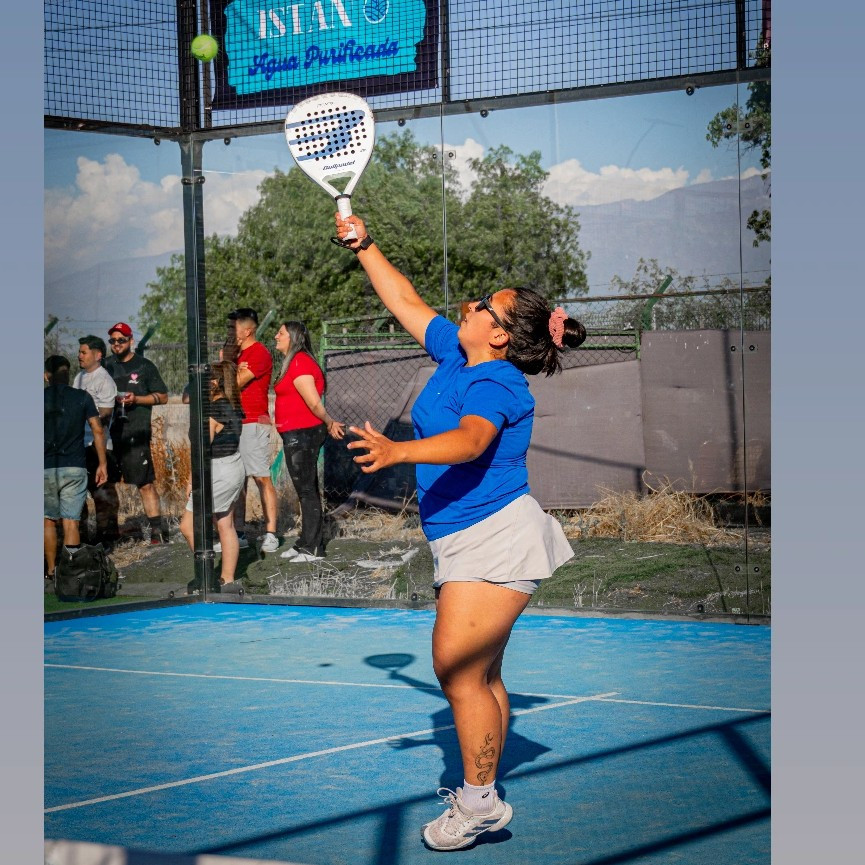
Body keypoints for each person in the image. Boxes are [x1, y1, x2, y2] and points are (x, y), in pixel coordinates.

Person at [335, 211, 587, 851]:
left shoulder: (496, 380)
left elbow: (473, 441)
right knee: (481, 676)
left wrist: (398, 452)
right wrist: (365, 244)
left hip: (494, 537)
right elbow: (405, 301)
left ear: (498, 334)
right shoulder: (456, 351)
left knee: (455, 670)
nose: (470, 305)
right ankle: (484, 790)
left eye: (483, 305)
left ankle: (478, 804)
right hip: (465, 536)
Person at [270, 321, 345, 562]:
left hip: (303, 434)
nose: (276, 336)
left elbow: (313, 402)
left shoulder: (300, 362)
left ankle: (313, 549)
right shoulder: (293, 361)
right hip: (296, 434)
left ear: (293, 337)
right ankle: (305, 541)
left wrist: (329, 422)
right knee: (305, 489)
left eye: (280, 333)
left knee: (307, 491)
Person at [179, 361, 246, 592]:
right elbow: (186, 398)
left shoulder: (214, 411)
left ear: (215, 382)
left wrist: (191, 479)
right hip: (233, 466)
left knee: (188, 526)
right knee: (225, 524)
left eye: (204, 380)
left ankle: (207, 574)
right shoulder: (229, 404)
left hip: (218, 470)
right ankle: (227, 580)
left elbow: (201, 451)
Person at [104, 322, 170, 544]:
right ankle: (110, 532)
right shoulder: (105, 366)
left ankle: (157, 532)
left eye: (121, 340)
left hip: (136, 433)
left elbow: (163, 396)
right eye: (113, 340)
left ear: (131, 341)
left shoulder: (144, 366)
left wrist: (137, 399)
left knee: (145, 483)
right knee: (107, 485)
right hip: (109, 435)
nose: (116, 344)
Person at [44, 355, 108, 580]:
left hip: (44, 467)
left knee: (48, 521)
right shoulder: (82, 397)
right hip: (74, 466)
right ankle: (70, 573)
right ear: (68, 374)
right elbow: (97, 429)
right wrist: (102, 463)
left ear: (46, 376)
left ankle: (51, 571)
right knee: (71, 521)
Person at [229, 308, 280, 554]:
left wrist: (227, 371)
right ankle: (238, 533)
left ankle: (271, 533)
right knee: (236, 480)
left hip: (253, 422)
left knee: (260, 477)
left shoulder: (259, 353)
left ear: (247, 330)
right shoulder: (235, 355)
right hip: (233, 422)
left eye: (234, 328)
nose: (230, 332)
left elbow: (234, 383)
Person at [72, 335, 119, 547]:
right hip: (79, 444)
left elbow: (105, 417)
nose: (79, 356)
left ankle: (106, 539)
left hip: (97, 445)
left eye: (84, 352)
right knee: (79, 494)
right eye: (79, 352)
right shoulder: (79, 378)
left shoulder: (104, 380)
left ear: (98, 355)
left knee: (102, 495)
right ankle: (81, 539)